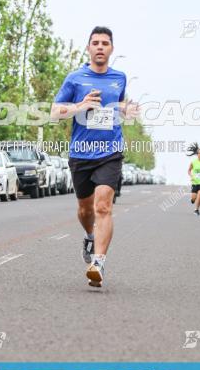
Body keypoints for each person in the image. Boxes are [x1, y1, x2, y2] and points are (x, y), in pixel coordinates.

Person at [50, 26, 139, 287]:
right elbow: (55, 112)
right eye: (96, 43)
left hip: (110, 151)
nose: (100, 47)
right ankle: (90, 235)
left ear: (111, 49)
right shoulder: (75, 78)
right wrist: (79, 106)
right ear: (88, 48)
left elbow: (118, 104)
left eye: (105, 43)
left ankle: (98, 262)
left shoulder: (120, 77)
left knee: (103, 206)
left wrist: (126, 109)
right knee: (85, 209)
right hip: (81, 153)